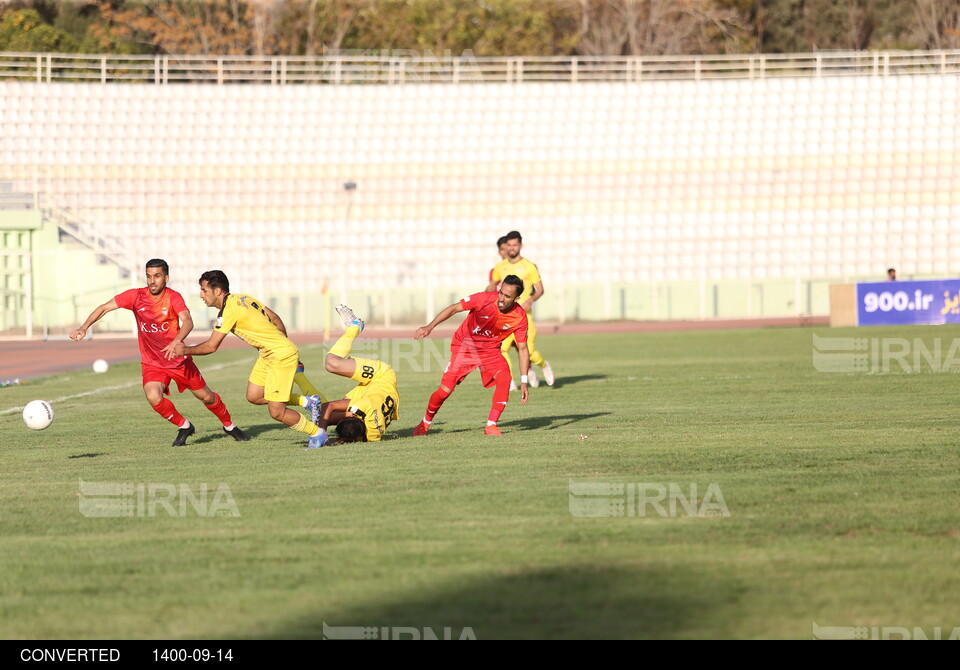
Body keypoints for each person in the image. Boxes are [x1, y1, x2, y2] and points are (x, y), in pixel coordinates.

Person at [69, 259, 249, 446]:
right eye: (148, 276)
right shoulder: (135, 296)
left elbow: (187, 321)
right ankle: (185, 426)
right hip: (152, 362)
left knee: (206, 397)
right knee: (153, 396)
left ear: (166, 278)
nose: (152, 281)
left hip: (177, 360)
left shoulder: (173, 297)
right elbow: (104, 308)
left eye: (157, 276)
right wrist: (84, 327)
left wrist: (176, 341)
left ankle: (229, 426)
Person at [170, 270, 328, 449]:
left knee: (277, 412)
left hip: (280, 356)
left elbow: (211, 346)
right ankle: (308, 401)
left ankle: (318, 434)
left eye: (204, 290)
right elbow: (274, 318)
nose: (201, 295)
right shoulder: (244, 297)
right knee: (254, 396)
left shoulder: (229, 311)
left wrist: (185, 350)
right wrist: (281, 343)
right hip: (268, 353)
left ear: (218, 291)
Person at [413, 275, 530, 437]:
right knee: (445, 391)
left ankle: (491, 426)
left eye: (507, 296)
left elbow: (523, 348)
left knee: (505, 377)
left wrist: (524, 381)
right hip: (465, 347)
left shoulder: (519, 316)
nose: (501, 299)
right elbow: (454, 308)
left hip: (490, 351)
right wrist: (430, 326)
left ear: (516, 298)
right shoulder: (484, 299)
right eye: (501, 293)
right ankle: (425, 423)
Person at [307, 305, 400, 447]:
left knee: (321, 417)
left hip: (372, 394)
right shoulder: (364, 410)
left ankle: (299, 376)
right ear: (354, 415)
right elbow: (329, 405)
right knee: (332, 363)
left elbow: (353, 431)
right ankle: (355, 325)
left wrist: (343, 437)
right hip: (381, 376)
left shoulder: (372, 435)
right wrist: (321, 435)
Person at [486, 230, 554, 388]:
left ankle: (544, 365)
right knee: (501, 349)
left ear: (520, 246)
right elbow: (492, 285)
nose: (511, 248)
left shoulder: (528, 266)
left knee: (528, 352)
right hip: (505, 318)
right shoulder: (500, 267)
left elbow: (540, 289)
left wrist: (531, 300)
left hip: (524, 317)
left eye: (514, 245)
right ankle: (509, 381)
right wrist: (487, 293)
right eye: (508, 245)